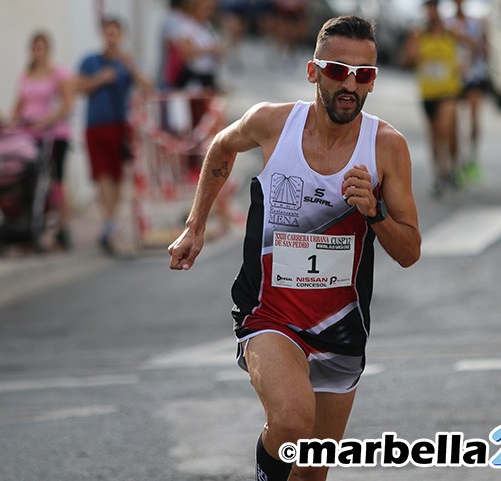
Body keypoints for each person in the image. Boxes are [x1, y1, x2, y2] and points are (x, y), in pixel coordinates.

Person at [168, 15, 421, 481]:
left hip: (341, 327)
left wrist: (375, 212)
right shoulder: (272, 124)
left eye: (363, 75)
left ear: (373, 81)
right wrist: (195, 226)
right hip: (270, 314)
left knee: (311, 471)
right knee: (290, 422)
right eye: (337, 70)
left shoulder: (386, 147)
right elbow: (221, 148)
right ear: (313, 72)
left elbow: (409, 251)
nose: (349, 84)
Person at [76, 17, 152, 255]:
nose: (112, 38)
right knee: (102, 175)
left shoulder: (125, 63)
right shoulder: (90, 61)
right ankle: (109, 223)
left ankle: (110, 222)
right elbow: (78, 87)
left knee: (117, 176)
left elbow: (148, 86)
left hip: (120, 127)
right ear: (103, 35)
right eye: (108, 33)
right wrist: (101, 78)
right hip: (95, 125)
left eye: (115, 33)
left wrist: (131, 67)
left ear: (121, 36)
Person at [11, 31, 75, 249]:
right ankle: (28, 221)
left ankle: (63, 226)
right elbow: (18, 107)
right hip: (29, 135)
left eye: (42, 48)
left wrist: (47, 119)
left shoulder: (58, 73)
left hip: (53, 133)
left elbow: (67, 104)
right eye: (35, 48)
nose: (38, 52)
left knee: (56, 179)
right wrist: (12, 126)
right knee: (28, 178)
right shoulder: (27, 75)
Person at [402, 0, 463, 197]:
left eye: (434, 9)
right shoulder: (418, 35)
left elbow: (472, 45)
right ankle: (439, 174)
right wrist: (413, 50)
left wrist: (464, 63)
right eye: (428, 9)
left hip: (448, 92)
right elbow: (406, 59)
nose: (431, 13)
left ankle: (450, 169)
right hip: (428, 93)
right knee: (435, 134)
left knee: (446, 130)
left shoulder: (451, 33)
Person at [446, 0, 488, 185]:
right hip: (452, 78)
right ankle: (455, 164)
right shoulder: (447, 22)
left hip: (473, 76)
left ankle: (472, 158)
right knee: (452, 122)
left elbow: (483, 48)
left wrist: (467, 40)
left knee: (474, 117)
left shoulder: (475, 21)